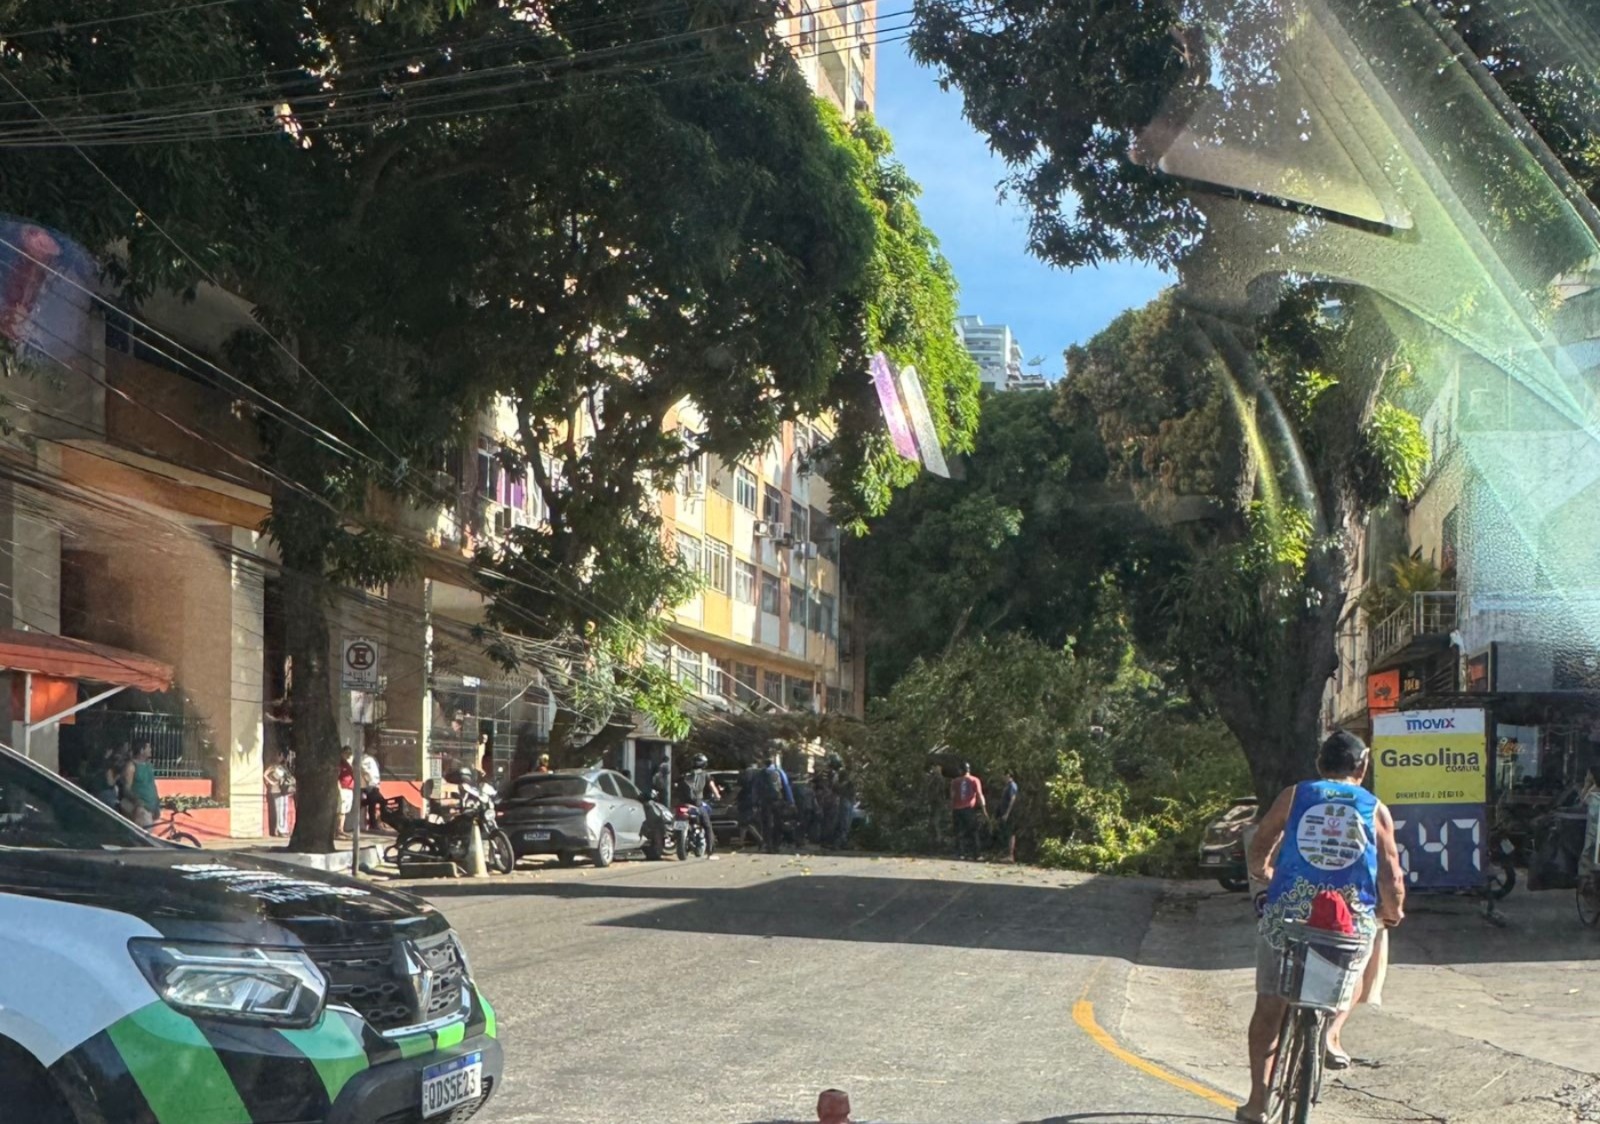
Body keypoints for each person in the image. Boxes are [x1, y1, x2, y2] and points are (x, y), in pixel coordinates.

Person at [1237, 730, 1405, 1124]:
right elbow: (1391, 872)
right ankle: (1330, 1032)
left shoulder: (1295, 795)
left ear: (1319, 765)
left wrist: (1263, 871)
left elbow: (1261, 842)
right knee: (1368, 949)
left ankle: (1257, 1102)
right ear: (1362, 767)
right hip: (1347, 919)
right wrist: (1392, 912)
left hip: (1290, 914)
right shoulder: (1375, 807)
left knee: (1269, 1005)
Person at [680, 753, 721, 857]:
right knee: (708, 827)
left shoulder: (685, 774)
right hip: (697, 804)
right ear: (704, 764)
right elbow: (713, 788)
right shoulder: (706, 775)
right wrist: (717, 796)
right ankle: (710, 851)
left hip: (683, 804)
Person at [950, 761, 986, 860]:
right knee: (973, 832)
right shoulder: (975, 780)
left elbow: (952, 796)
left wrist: (951, 808)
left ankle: (960, 854)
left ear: (960, 770)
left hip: (957, 809)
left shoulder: (955, 781)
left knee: (958, 832)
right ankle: (977, 854)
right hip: (969, 809)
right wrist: (984, 809)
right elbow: (979, 795)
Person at [756, 757, 793, 854]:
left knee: (767, 824)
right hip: (778, 801)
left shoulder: (761, 773)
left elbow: (756, 788)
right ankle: (777, 845)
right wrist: (790, 801)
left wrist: (755, 801)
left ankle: (768, 845)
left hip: (765, 802)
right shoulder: (779, 771)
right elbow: (786, 786)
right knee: (778, 823)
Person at [121, 742, 160, 829]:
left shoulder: (148, 765)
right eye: (148, 748)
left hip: (151, 807)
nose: (150, 750)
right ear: (141, 750)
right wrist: (137, 801)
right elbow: (126, 788)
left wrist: (157, 801)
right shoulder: (131, 766)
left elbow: (152, 785)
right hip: (141, 809)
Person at [264, 750, 294, 837]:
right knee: (278, 811)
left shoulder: (283, 767)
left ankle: (284, 828)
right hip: (276, 791)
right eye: (280, 755)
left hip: (283, 791)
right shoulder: (273, 766)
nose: (281, 758)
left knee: (284, 810)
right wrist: (271, 782)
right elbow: (265, 774)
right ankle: (279, 829)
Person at [735, 761, 764, 849]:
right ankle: (741, 843)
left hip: (744, 801)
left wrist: (729, 799)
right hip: (755, 800)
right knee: (745, 823)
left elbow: (738, 789)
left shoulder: (743, 775)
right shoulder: (758, 774)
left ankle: (760, 840)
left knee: (745, 823)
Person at [994, 768, 1019, 863]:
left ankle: (1010, 855)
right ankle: (1006, 854)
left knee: (1010, 833)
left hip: (1010, 814)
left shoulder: (1012, 785)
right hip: (1004, 813)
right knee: (1005, 833)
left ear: (1008, 775)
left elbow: (1013, 799)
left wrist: (1007, 813)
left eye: (1004, 775)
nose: (1002, 778)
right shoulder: (1007, 786)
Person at [360, 748, 383, 832]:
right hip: (370, 785)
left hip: (373, 784)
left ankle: (374, 823)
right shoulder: (366, 759)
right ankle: (374, 824)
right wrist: (370, 781)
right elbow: (366, 771)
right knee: (375, 802)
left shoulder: (372, 759)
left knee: (372, 803)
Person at [337, 746, 356, 837]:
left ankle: (341, 828)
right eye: (346, 753)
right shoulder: (340, 764)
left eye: (350, 753)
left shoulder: (349, 763)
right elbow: (336, 777)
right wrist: (339, 788)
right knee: (341, 810)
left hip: (349, 788)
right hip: (342, 788)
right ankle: (339, 830)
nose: (348, 755)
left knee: (345, 810)